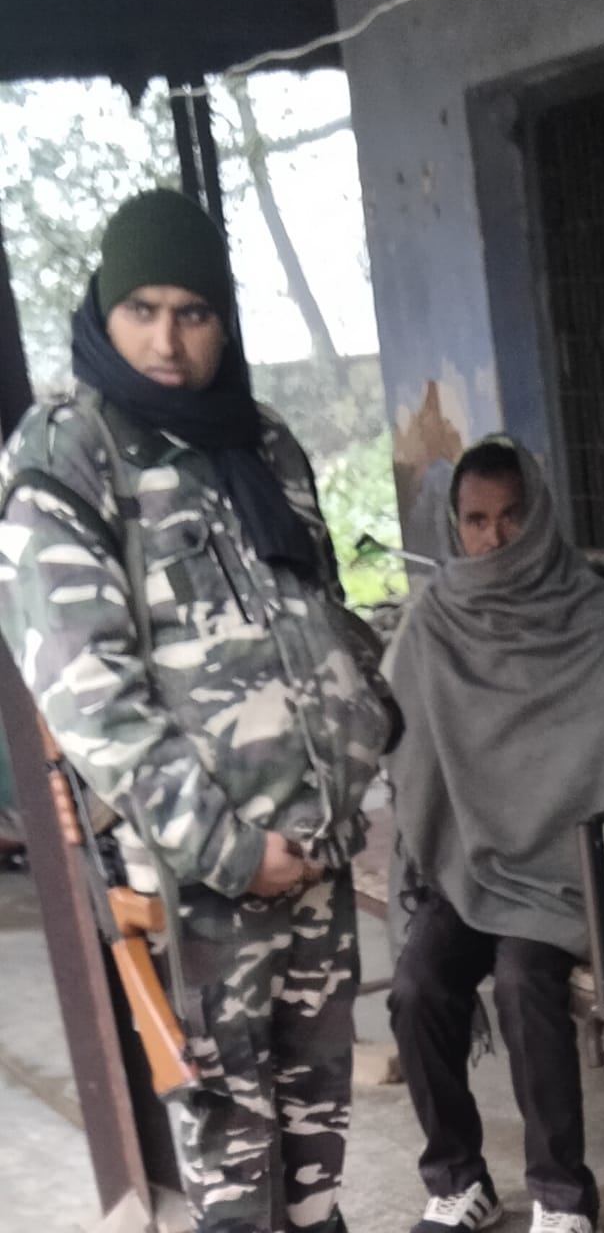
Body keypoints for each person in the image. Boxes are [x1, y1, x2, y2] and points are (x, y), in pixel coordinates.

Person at [0, 188, 400, 1233]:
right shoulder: (70, 457)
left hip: (314, 858)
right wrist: (228, 848)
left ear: (224, 319)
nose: (168, 342)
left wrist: (367, 732)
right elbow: (88, 693)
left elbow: (316, 611)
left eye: (193, 312)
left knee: (315, 1174)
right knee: (235, 1179)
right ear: (105, 310)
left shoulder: (261, 443)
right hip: (206, 887)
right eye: (143, 310)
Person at [386, 436, 604, 1233]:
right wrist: (441, 848)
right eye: (476, 521)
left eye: (510, 516)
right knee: (417, 986)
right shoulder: (433, 620)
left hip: (559, 872)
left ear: (539, 516)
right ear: (454, 526)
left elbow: (603, 760)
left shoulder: (592, 613)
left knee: (522, 983)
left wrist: (551, 846)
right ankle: (458, 1180)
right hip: (467, 862)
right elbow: (408, 752)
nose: (494, 537)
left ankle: (562, 1197)